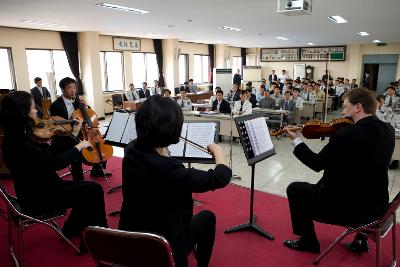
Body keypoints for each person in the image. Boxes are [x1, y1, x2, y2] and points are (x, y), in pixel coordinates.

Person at [118, 95, 232, 267]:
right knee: (207, 217)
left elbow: (153, 155)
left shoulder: (131, 150)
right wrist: (218, 152)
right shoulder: (171, 171)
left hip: (130, 237)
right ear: (173, 131)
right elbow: (220, 177)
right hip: (163, 246)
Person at [283, 88, 394, 254]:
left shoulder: (346, 134)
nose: (342, 112)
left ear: (358, 107)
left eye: (345, 106)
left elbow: (316, 163)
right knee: (364, 180)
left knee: (295, 189)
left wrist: (296, 140)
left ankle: (308, 242)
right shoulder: (388, 130)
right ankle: (361, 240)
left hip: (349, 209)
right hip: (378, 207)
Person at [1, 91, 108, 250]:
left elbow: (48, 155)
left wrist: (75, 133)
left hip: (41, 187)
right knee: (93, 190)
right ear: (22, 113)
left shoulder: (15, 136)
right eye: (32, 107)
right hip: (41, 198)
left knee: (88, 189)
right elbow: (55, 163)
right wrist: (79, 146)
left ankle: (73, 228)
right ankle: (100, 239)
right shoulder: (19, 143)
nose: (36, 111)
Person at [50, 77, 111, 179]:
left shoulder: (78, 102)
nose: (73, 90)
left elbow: (89, 115)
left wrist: (86, 106)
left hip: (82, 131)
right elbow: (60, 124)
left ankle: (97, 169)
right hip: (66, 135)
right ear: (63, 89)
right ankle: (78, 178)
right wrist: (74, 126)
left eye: (74, 87)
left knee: (98, 142)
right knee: (76, 149)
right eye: (70, 88)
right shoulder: (56, 105)